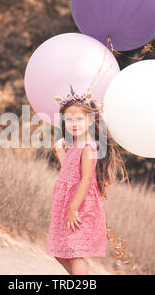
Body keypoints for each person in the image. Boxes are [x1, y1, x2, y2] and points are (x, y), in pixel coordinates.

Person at [47, 86, 130, 275]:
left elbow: (85, 180)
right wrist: (61, 153)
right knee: (60, 252)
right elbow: (70, 172)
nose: (73, 123)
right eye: (68, 120)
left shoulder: (88, 147)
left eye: (79, 119)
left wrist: (74, 208)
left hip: (79, 205)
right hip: (66, 203)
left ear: (90, 120)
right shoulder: (76, 144)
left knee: (74, 253)